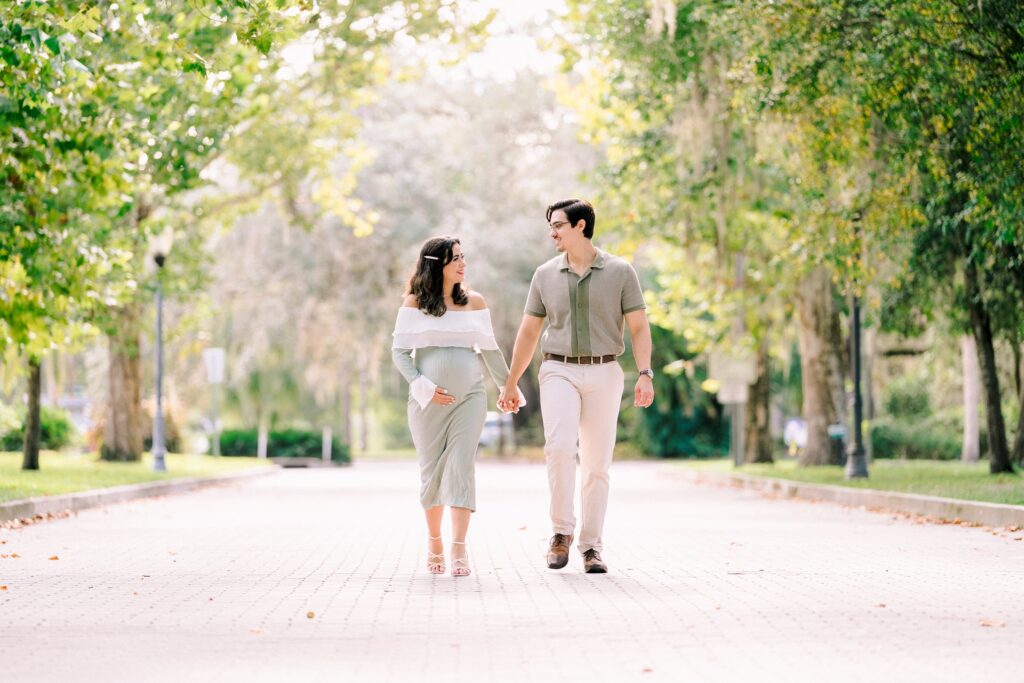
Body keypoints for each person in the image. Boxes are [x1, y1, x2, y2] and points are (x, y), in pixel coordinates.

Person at [499, 199, 654, 574]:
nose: (552, 233)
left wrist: (645, 372)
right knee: (560, 448)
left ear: (581, 226)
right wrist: (511, 382)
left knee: (597, 464)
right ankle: (560, 533)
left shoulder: (620, 271)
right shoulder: (544, 275)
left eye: (558, 225)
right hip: (558, 370)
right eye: (550, 226)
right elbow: (529, 332)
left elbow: (638, 326)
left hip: (605, 371)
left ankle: (591, 547)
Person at [392, 236, 525, 577]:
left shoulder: (475, 302)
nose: (463, 264)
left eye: (464, 257)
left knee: (461, 467)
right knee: (432, 470)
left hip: (470, 398)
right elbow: (400, 353)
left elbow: (490, 350)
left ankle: (459, 548)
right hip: (427, 403)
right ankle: (434, 541)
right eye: (455, 259)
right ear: (436, 265)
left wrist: (508, 386)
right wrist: (423, 386)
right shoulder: (414, 303)